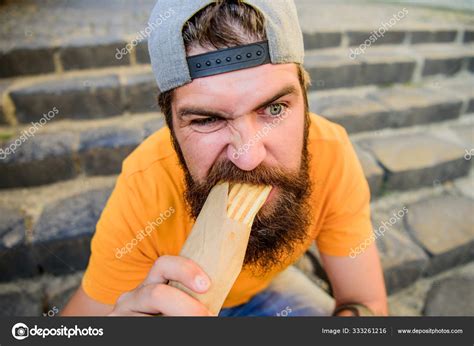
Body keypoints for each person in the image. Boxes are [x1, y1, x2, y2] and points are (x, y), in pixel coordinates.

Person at [62, 0, 387, 317]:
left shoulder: (331, 153)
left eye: (275, 108)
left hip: (269, 291)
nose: (247, 157)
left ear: (305, 101)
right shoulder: (144, 187)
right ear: (171, 128)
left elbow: (367, 304)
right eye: (206, 120)